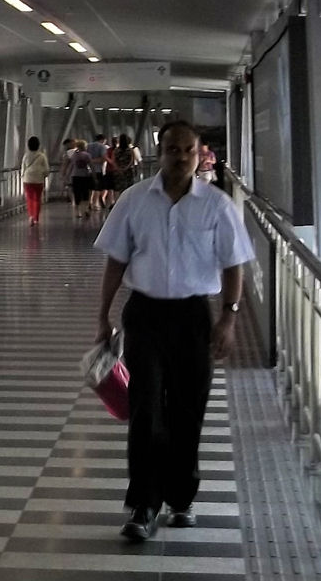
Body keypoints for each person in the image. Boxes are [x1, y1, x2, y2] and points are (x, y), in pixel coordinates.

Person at [93, 119, 252, 543]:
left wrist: (229, 318)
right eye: (172, 149)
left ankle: (181, 496)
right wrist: (103, 316)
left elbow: (233, 265)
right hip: (145, 314)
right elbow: (116, 261)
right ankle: (143, 504)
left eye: (188, 150)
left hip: (193, 317)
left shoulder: (217, 206)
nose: (180, 157)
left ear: (200, 154)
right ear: (159, 152)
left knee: (187, 408)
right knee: (145, 408)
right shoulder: (134, 200)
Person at [18, 136, 50, 226]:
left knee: (30, 198)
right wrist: (44, 175)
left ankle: (31, 216)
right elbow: (46, 169)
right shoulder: (42, 156)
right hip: (38, 180)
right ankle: (36, 218)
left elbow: (23, 168)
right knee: (37, 199)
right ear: (38, 145)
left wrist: (23, 176)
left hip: (27, 180)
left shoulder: (26, 156)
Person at [66, 139, 95, 223]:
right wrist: (95, 176)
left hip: (75, 176)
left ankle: (77, 212)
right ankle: (85, 209)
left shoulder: (74, 155)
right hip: (85, 176)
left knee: (77, 194)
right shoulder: (87, 155)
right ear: (84, 146)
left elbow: (71, 166)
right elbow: (91, 166)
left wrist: (67, 176)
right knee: (85, 194)